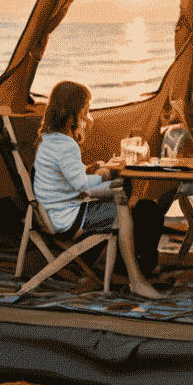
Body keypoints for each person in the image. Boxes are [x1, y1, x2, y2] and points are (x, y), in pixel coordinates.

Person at [33, 80, 164, 300]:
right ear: (72, 112)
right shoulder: (65, 144)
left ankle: (133, 270)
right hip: (68, 217)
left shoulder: (48, 139)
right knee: (131, 204)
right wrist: (108, 177)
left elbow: (69, 178)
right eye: (85, 112)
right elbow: (84, 187)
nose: (86, 118)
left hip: (57, 210)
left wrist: (95, 170)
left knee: (130, 200)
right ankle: (136, 279)